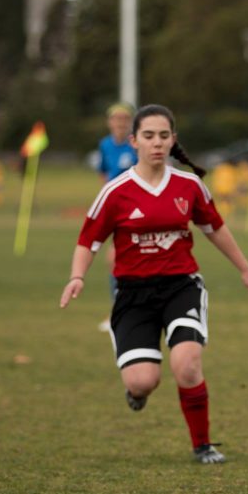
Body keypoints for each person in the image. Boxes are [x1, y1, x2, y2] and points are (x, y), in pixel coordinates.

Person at [59, 104, 248, 464]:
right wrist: (77, 276)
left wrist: (246, 270)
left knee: (187, 364)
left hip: (181, 286)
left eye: (163, 136)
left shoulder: (189, 186)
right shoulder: (116, 191)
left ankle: (203, 446)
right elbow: (89, 240)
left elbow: (215, 230)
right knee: (143, 381)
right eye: (148, 136)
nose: (156, 143)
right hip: (133, 294)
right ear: (134, 141)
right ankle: (137, 390)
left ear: (173, 140)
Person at [97, 103, 138, 332]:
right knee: (117, 260)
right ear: (109, 122)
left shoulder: (137, 145)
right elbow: (104, 173)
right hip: (115, 208)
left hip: (136, 208)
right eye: (116, 119)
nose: (120, 123)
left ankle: (121, 311)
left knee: (117, 258)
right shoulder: (104, 145)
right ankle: (120, 310)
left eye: (125, 118)